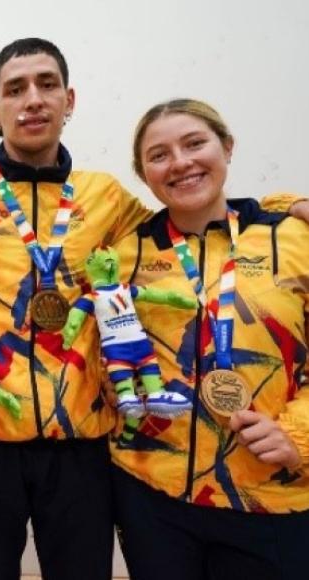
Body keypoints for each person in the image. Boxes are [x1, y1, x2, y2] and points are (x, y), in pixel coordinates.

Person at [0, 38, 303, 580]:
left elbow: (192, 210)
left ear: (70, 100)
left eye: (47, 85)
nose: (32, 99)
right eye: (15, 90)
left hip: (85, 447)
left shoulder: (108, 198)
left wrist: (274, 206)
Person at [111, 98, 309, 580]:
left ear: (227, 146)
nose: (180, 162)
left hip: (270, 497)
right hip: (150, 496)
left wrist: (301, 433)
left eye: (195, 143)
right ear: (144, 175)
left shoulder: (294, 239)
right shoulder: (124, 252)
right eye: (159, 155)